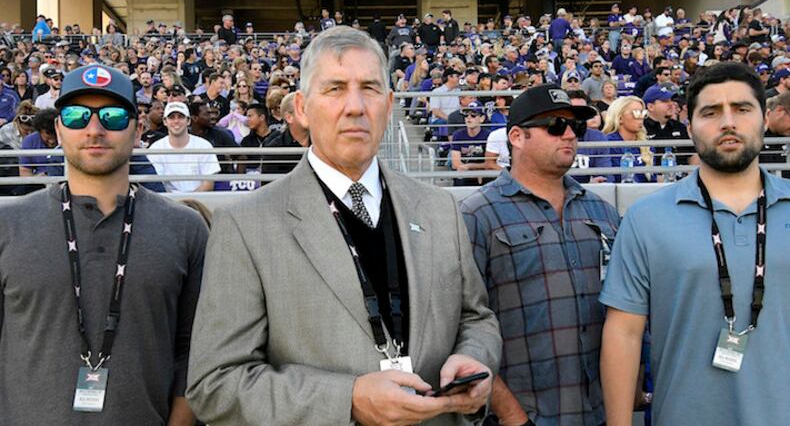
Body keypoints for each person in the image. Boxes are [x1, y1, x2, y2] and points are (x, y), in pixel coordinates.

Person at [186, 25, 501, 425]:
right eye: (334, 89)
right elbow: (215, 384)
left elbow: (477, 318)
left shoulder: (440, 208)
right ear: (301, 108)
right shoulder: (246, 226)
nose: (355, 106)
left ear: (388, 104)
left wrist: (473, 358)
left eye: (369, 88)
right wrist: (346, 400)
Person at [0, 63, 206, 424]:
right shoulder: (9, 225)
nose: (94, 129)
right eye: (77, 116)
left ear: (138, 129)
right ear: (59, 128)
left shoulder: (185, 229)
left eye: (111, 116)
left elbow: (196, 351)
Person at [599, 61, 790, 426]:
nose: (728, 122)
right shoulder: (646, 219)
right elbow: (624, 333)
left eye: (742, 109)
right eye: (711, 111)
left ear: (765, 119)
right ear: (689, 125)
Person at [461, 83, 620, 426]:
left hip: (599, 413)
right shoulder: (477, 214)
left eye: (575, 127)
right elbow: (462, 323)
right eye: (554, 125)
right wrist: (512, 415)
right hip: (521, 416)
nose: (569, 135)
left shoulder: (604, 213)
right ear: (517, 137)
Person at [147, 101, 221, 193]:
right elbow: (156, 185)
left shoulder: (204, 145)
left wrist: (188, 202)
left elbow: (208, 184)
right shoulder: (155, 149)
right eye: (171, 117)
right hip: (167, 203)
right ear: (165, 121)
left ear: (188, 121)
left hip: (199, 202)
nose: (176, 121)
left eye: (181, 117)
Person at [602, 96, 655, 183]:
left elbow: (653, 180)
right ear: (620, 118)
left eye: (643, 113)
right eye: (636, 113)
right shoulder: (608, 144)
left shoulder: (647, 145)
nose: (640, 117)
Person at [450, 101, 491, 186]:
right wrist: (473, 172)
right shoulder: (458, 135)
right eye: (466, 115)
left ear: (482, 118)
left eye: (473, 115)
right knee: (460, 178)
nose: (468, 118)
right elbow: (455, 163)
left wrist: (471, 167)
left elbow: (490, 163)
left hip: (483, 172)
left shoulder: (489, 136)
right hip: (465, 172)